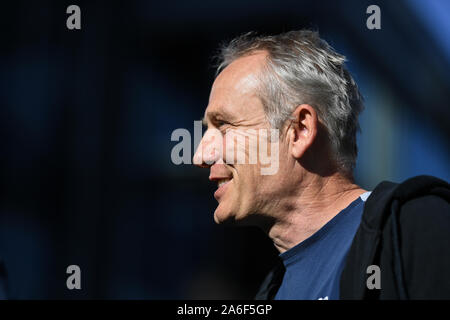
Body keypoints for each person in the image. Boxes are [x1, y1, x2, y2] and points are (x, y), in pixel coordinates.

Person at [193, 30, 450, 300]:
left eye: (224, 126)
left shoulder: (414, 226)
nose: (200, 156)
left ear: (300, 130)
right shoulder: (267, 293)